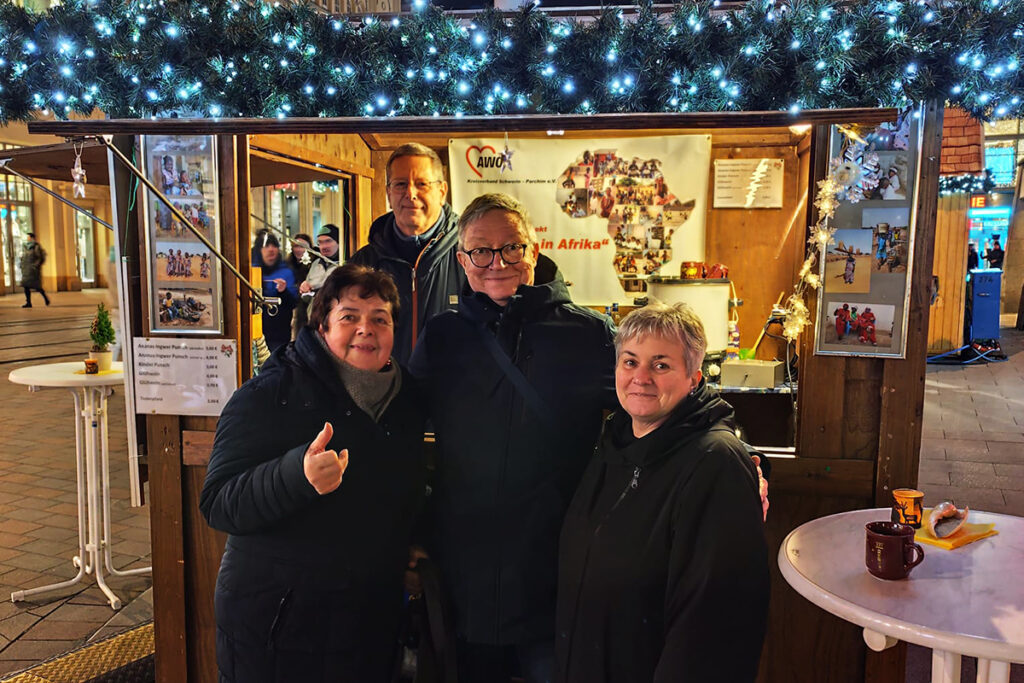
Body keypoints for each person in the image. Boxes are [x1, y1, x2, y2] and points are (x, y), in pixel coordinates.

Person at [409, 193, 617, 683]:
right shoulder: (443, 335)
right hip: (466, 568)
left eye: (511, 248)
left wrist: (733, 453)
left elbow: (653, 405)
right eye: (481, 251)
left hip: (555, 564)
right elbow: (398, 422)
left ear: (535, 249)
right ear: (462, 260)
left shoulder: (588, 334)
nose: (496, 262)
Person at [200, 264, 427, 683]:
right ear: (321, 326)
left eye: (380, 318)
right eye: (349, 317)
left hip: (369, 626)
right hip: (279, 630)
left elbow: (407, 488)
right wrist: (295, 477)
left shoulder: (407, 400)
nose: (366, 329)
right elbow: (218, 503)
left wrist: (415, 541)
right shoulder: (271, 393)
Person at [556, 302, 770, 683]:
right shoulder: (615, 440)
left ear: (694, 378)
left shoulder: (715, 464)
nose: (640, 377)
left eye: (661, 365)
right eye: (629, 361)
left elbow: (713, 625)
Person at [349, 143, 465, 365]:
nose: (410, 193)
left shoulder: (472, 257)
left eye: (421, 184)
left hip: (451, 396)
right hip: (383, 394)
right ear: (388, 193)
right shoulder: (362, 264)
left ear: (442, 192)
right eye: (401, 184)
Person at [254, 233, 297, 353]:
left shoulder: (287, 272)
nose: (271, 249)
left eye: (274, 245)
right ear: (259, 250)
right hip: (255, 332)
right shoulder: (251, 271)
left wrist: (283, 292)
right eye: (266, 246)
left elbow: (293, 303)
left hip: (280, 335)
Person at [299, 223, 341, 301]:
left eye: (328, 241)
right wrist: (304, 288)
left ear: (339, 242)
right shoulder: (316, 263)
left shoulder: (345, 264)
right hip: (314, 311)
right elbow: (306, 297)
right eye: (320, 242)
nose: (324, 246)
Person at [287, 233, 313, 338]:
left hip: (306, 305)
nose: (298, 249)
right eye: (296, 246)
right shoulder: (288, 264)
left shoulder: (313, 265)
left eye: (302, 246)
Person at [19, 232, 50, 308]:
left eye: (28, 237)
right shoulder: (25, 247)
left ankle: (46, 299)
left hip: (33, 270)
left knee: (37, 287)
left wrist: (35, 266)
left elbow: (40, 258)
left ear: (32, 238)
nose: (27, 238)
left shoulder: (36, 246)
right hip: (26, 269)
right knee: (26, 286)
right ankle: (28, 302)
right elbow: (24, 256)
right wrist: (22, 263)